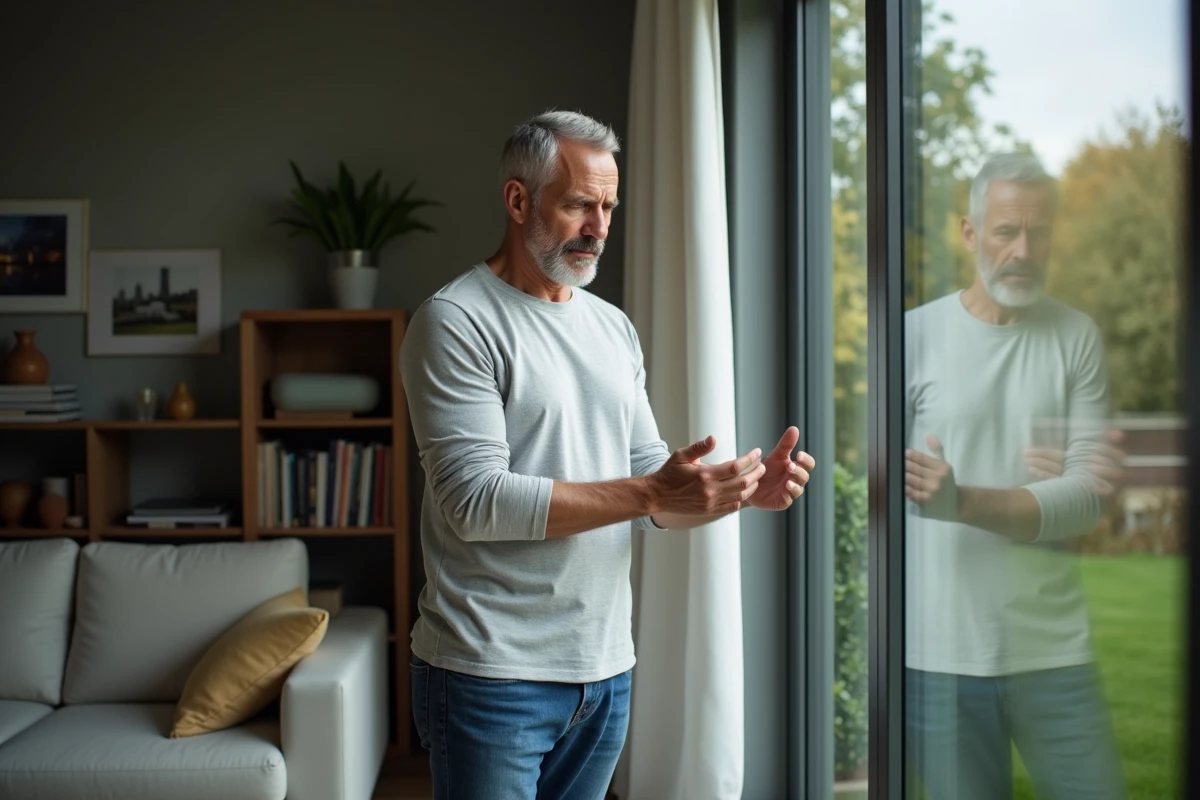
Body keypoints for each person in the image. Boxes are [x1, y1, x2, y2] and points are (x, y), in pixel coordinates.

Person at [399, 109, 816, 799]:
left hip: (603, 673)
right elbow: (474, 502)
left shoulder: (612, 328)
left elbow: (655, 491)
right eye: (578, 205)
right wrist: (653, 493)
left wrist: (732, 493)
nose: (598, 227)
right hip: (489, 673)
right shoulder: (455, 321)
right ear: (517, 199)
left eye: (608, 207)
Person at [903, 152, 1127, 800]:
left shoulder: (1075, 336)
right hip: (938, 656)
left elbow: (1088, 495)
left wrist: (960, 499)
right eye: (1006, 231)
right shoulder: (915, 336)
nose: (1024, 249)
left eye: (1040, 232)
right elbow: (877, 483)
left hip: (1054, 650)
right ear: (971, 234)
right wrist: (1043, 498)